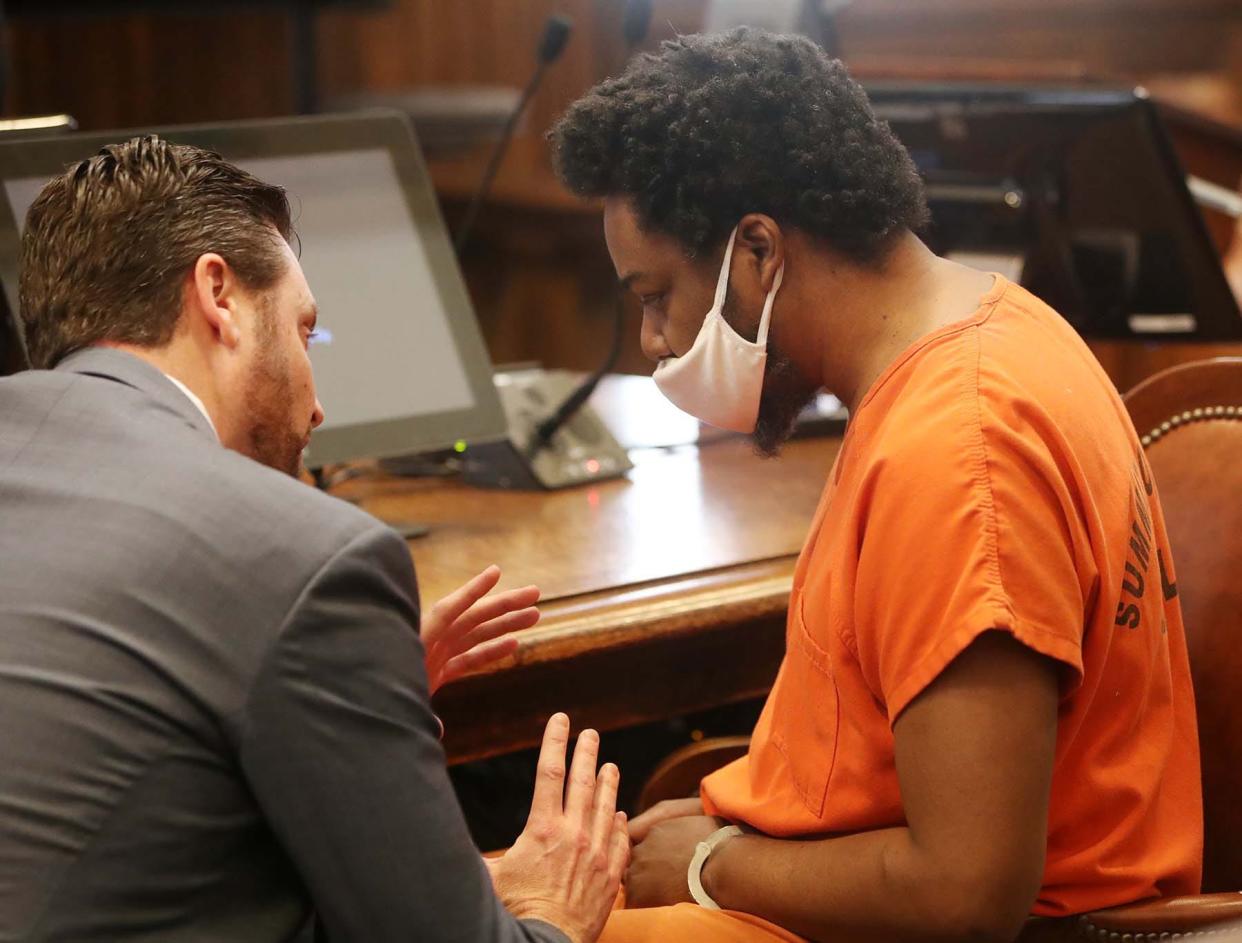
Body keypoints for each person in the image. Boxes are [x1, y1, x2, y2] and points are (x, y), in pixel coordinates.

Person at [550, 29, 1202, 943]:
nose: (656, 340)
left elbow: (963, 896)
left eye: (656, 295)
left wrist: (708, 866)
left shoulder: (958, 450)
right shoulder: (997, 327)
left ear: (758, 253)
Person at [0, 136, 628, 943]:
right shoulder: (304, 559)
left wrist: (350, 689)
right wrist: (556, 911)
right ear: (218, 295)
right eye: (305, 330)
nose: (319, 406)